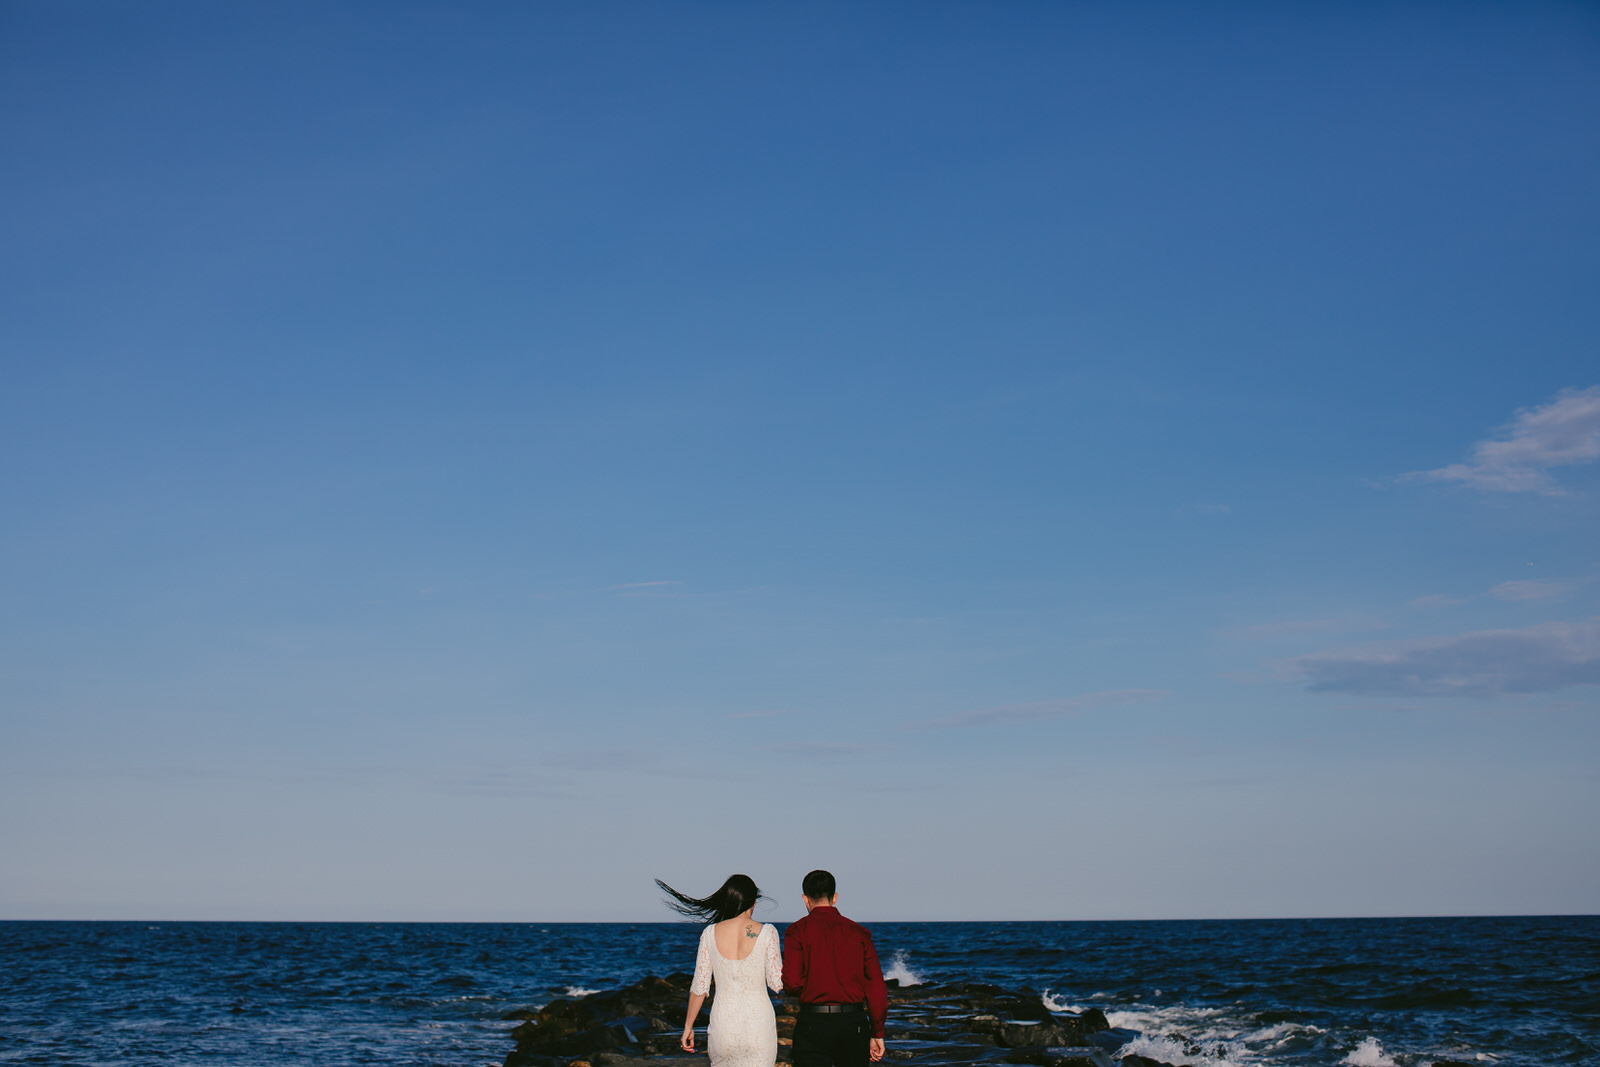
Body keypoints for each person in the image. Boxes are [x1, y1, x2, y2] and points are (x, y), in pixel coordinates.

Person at [657, 874, 784, 1067]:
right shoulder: (768, 933)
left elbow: (699, 987)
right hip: (758, 1025)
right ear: (754, 902)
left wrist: (688, 1026)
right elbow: (776, 983)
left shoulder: (709, 933)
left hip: (723, 1026)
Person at [781, 870, 888, 1067]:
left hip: (813, 1021)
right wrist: (877, 1031)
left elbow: (792, 982)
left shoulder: (796, 931)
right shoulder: (860, 933)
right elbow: (876, 986)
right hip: (852, 1022)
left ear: (805, 899)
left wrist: (812, 987)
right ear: (835, 898)